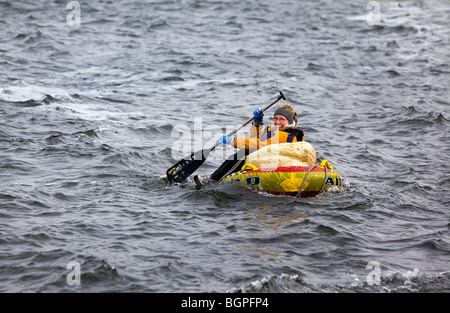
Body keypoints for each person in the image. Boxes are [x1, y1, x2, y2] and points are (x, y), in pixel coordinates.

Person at [194, 104, 305, 186]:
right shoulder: (276, 131)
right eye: (275, 118)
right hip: (273, 161)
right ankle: (221, 177)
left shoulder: (287, 135)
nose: (277, 122)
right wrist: (258, 123)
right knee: (249, 151)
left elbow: (256, 144)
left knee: (244, 153)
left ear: (289, 121)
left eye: (282, 119)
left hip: (281, 167)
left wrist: (232, 141)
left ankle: (212, 180)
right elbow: (256, 140)